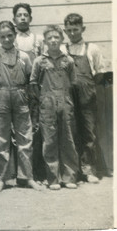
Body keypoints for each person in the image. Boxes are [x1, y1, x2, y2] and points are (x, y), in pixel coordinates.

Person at [0, 21, 43, 193]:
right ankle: (3, 179)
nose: (7, 39)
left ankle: (27, 177)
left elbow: (30, 75)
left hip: (20, 97)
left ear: (14, 36)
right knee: (1, 140)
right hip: (0, 97)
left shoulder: (23, 57)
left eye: (10, 35)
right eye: (3, 36)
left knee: (25, 138)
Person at [30, 25, 79, 190]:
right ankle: (53, 179)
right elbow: (33, 83)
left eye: (56, 37)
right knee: (49, 140)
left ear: (62, 39)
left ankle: (69, 176)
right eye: (49, 38)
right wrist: (43, 100)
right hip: (47, 103)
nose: (53, 40)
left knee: (68, 138)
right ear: (44, 41)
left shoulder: (68, 60)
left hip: (65, 101)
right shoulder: (40, 61)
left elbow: (73, 83)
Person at [64, 13, 104, 184]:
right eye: (69, 30)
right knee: (71, 132)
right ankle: (73, 172)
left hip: (87, 97)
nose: (72, 33)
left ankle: (88, 170)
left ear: (83, 29)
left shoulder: (92, 48)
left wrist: (86, 88)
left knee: (89, 133)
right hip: (68, 97)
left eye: (76, 29)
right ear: (65, 30)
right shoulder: (61, 49)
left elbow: (100, 74)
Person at [12, 3, 45, 183]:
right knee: (19, 130)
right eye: (19, 15)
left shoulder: (38, 39)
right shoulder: (11, 38)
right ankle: (21, 174)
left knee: (36, 128)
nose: (23, 18)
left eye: (26, 15)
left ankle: (37, 172)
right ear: (14, 19)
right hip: (17, 87)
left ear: (30, 18)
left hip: (35, 88)